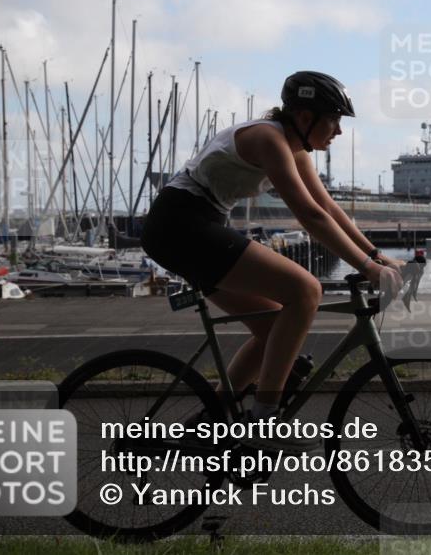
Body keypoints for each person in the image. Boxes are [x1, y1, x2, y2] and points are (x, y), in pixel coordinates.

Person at [141, 71, 403, 450]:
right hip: (182, 224)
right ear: (304, 116)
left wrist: (377, 256)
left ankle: (211, 422)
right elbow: (309, 217)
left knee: (274, 328)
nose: (339, 132)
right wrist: (367, 268)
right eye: (333, 120)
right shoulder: (269, 139)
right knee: (305, 290)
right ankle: (264, 421)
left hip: (193, 228)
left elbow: (326, 206)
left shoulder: (293, 148)